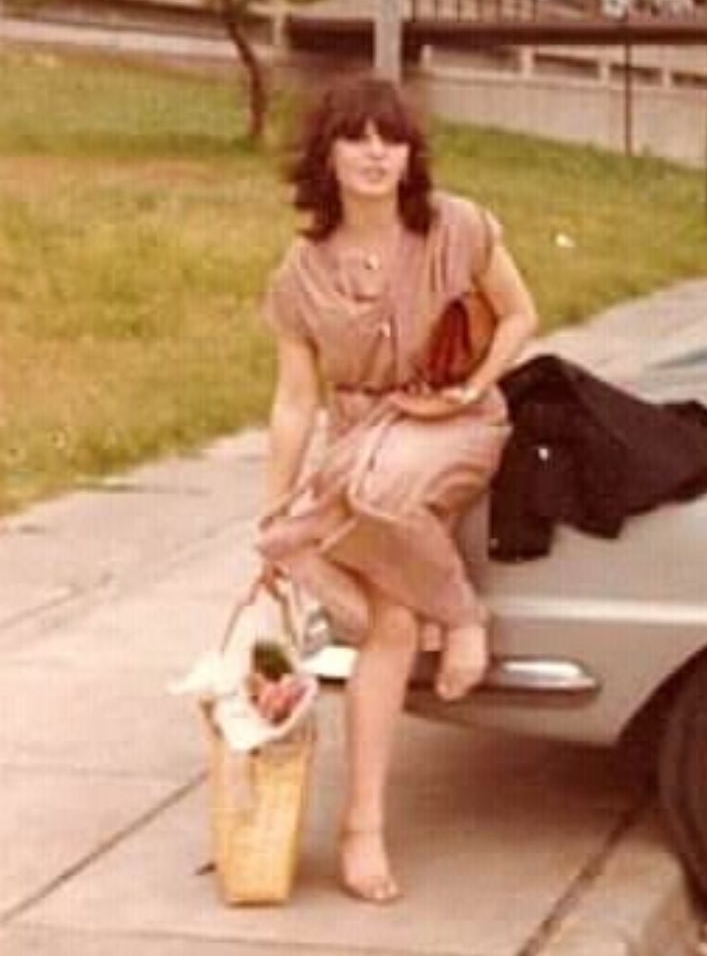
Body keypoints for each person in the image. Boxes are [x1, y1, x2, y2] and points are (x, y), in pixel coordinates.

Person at [256, 76, 538, 904]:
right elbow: (295, 400)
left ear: (409, 154)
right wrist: (274, 499)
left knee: (374, 493)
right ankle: (363, 825)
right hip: (363, 443)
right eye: (357, 137)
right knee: (387, 617)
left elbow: (521, 315)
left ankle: (462, 618)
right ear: (328, 156)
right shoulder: (300, 273)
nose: (376, 153)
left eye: (391, 138)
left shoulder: (456, 225)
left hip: (454, 424)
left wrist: (472, 382)